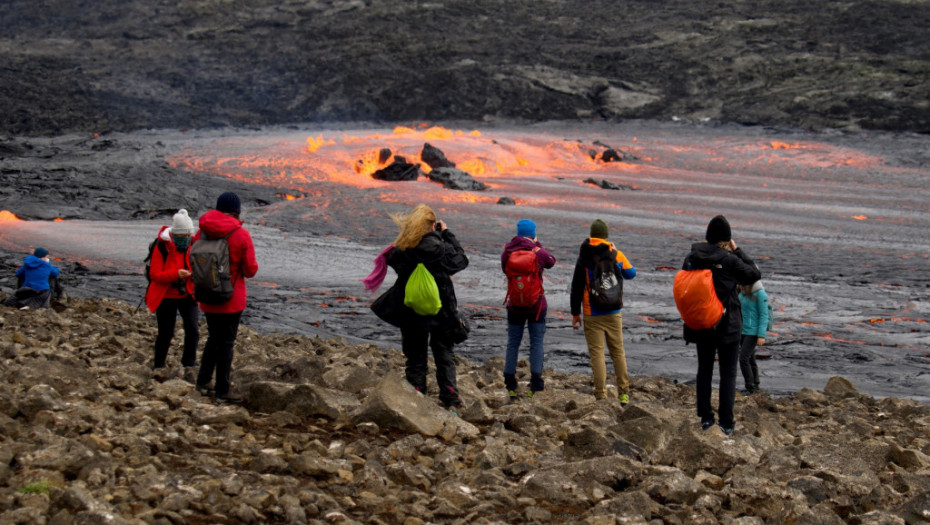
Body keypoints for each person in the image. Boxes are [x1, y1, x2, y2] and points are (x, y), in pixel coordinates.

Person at [383, 204, 469, 411]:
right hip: (442, 310)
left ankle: (416, 397)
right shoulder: (441, 248)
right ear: (432, 225)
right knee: (444, 355)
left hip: (411, 310)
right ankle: (450, 401)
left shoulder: (403, 249)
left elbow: (392, 261)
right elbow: (461, 260)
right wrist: (447, 234)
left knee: (415, 357)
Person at [682, 215, 761, 435]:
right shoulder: (730, 260)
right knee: (728, 373)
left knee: (704, 370)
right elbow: (754, 274)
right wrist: (737, 250)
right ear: (726, 240)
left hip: (701, 323)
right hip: (728, 324)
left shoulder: (692, 257)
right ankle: (726, 423)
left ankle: (706, 418)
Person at [194, 192, 259, 403]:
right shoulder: (241, 235)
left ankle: (203, 382)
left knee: (213, 339)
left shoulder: (201, 232)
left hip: (207, 294)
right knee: (227, 343)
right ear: (236, 211)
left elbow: (191, 259)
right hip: (232, 299)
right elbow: (250, 270)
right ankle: (223, 389)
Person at [570, 219, 636, 405]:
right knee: (618, 352)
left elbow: (576, 287)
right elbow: (632, 273)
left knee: (597, 354)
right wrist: (616, 253)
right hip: (613, 310)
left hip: (592, 312)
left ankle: (601, 394)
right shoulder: (615, 253)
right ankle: (623, 392)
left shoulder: (583, 257)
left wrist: (576, 314)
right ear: (606, 236)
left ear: (591, 236)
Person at [501, 218, 556, 399]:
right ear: (533, 233)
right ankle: (536, 384)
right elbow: (551, 261)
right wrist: (537, 244)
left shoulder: (508, 251)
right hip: (536, 305)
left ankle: (509, 382)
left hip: (515, 304)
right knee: (536, 342)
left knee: (513, 342)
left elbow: (505, 270)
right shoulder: (537, 251)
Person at [145, 209, 199, 374]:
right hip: (166, 296)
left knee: (193, 329)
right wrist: (175, 274)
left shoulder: (192, 244)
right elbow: (155, 274)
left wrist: (193, 274)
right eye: (183, 237)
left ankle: (189, 364)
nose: (186, 240)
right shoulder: (162, 246)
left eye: (188, 236)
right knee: (165, 333)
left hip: (187, 293)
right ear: (175, 233)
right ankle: (159, 365)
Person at [738, 280, 770, 395]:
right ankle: (755, 384)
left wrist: (761, 335)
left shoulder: (760, 294)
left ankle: (750, 387)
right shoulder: (741, 292)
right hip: (743, 331)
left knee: (743, 359)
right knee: (750, 358)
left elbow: (763, 314)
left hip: (753, 332)